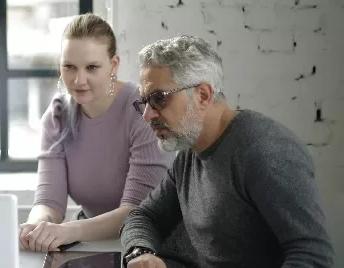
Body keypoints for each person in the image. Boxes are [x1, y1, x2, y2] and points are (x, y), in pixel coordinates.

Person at [120, 35, 335, 268]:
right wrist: (141, 253)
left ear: (203, 95)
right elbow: (144, 217)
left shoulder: (263, 150)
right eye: (144, 102)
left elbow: (313, 255)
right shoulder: (189, 154)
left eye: (159, 99)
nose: (147, 115)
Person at [18, 13, 174, 253]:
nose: (79, 80)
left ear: (114, 65)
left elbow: (136, 211)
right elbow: (49, 201)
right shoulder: (58, 115)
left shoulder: (142, 110)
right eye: (69, 67)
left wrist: (69, 230)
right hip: (90, 244)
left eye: (92, 67)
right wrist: (35, 226)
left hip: (146, 246)